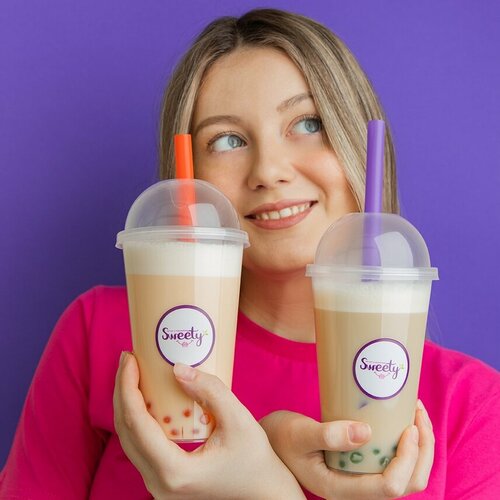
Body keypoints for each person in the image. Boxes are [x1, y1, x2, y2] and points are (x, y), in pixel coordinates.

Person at [1, 8, 499, 500]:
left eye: (308, 123)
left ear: (356, 142)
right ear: (190, 178)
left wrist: (268, 488)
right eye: (228, 139)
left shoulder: (473, 407)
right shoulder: (99, 334)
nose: (269, 170)